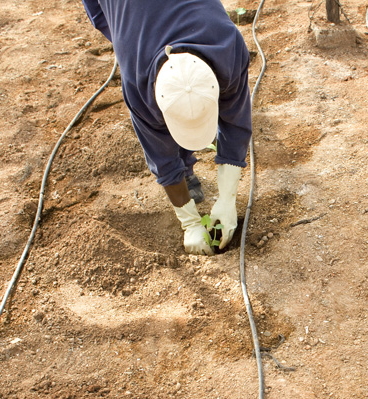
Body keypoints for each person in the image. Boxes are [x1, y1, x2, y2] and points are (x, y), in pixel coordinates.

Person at [80, 0, 252, 255]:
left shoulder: (228, 45)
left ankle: (189, 171)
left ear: (216, 83)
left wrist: (227, 199)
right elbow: (160, 154)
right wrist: (190, 222)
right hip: (128, 24)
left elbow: (236, 123)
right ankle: (186, 171)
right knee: (118, 31)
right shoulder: (137, 84)